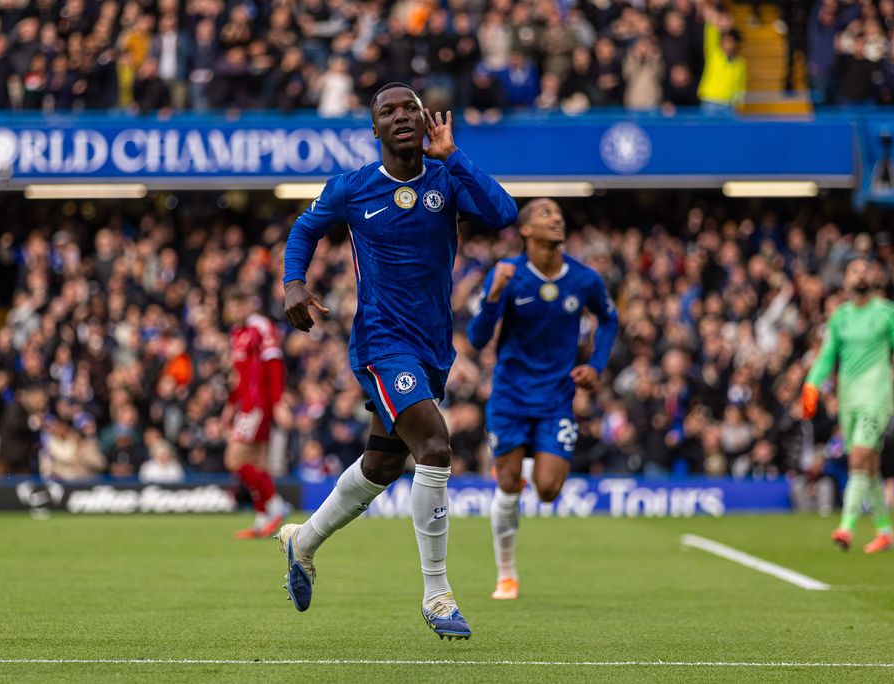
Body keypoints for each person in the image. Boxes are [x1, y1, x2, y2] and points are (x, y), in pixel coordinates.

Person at [279, 82, 517, 639]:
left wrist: (453, 157)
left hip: (433, 347)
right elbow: (305, 228)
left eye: (410, 107)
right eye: (388, 111)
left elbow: (503, 214)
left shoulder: (445, 181)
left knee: (383, 465)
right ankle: (437, 594)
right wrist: (293, 281)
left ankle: (303, 541)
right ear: (376, 129)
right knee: (434, 446)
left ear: (425, 118)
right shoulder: (353, 188)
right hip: (383, 345)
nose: (401, 117)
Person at [465, 198, 618, 600]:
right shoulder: (508, 275)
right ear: (526, 230)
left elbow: (609, 318)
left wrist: (596, 367)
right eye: (546, 213)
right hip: (511, 396)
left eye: (559, 215)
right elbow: (478, 338)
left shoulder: (584, 279)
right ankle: (506, 575)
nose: (556, 218)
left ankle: (534, 454)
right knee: (510, 483)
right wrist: (493, 295)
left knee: (549, 490)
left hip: (555, 398)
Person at [801, 259, 894, 554]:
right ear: (844, 279)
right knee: (869, 467)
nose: (861, 274)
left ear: (874, 278)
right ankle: (885, 532)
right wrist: (811, 384)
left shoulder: (889, 313)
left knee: (858, 457)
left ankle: (846, 527)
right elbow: (828, 354)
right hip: (849, 401)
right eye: (855, 270)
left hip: (877, 398)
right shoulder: (840, 317)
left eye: (866, 270)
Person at [224, 285, 291, 539]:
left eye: (240, 305)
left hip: (258, 404)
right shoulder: (237, 332)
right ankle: (262, 517)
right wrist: (230, 406)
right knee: (256, 463)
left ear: (249, 305)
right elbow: (237, 377)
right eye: (232, 306)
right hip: (246, 405)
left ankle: (275, 505)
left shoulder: (259, 327)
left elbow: (274, 363)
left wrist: (277, 402)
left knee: (234, 460)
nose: (236, 310)